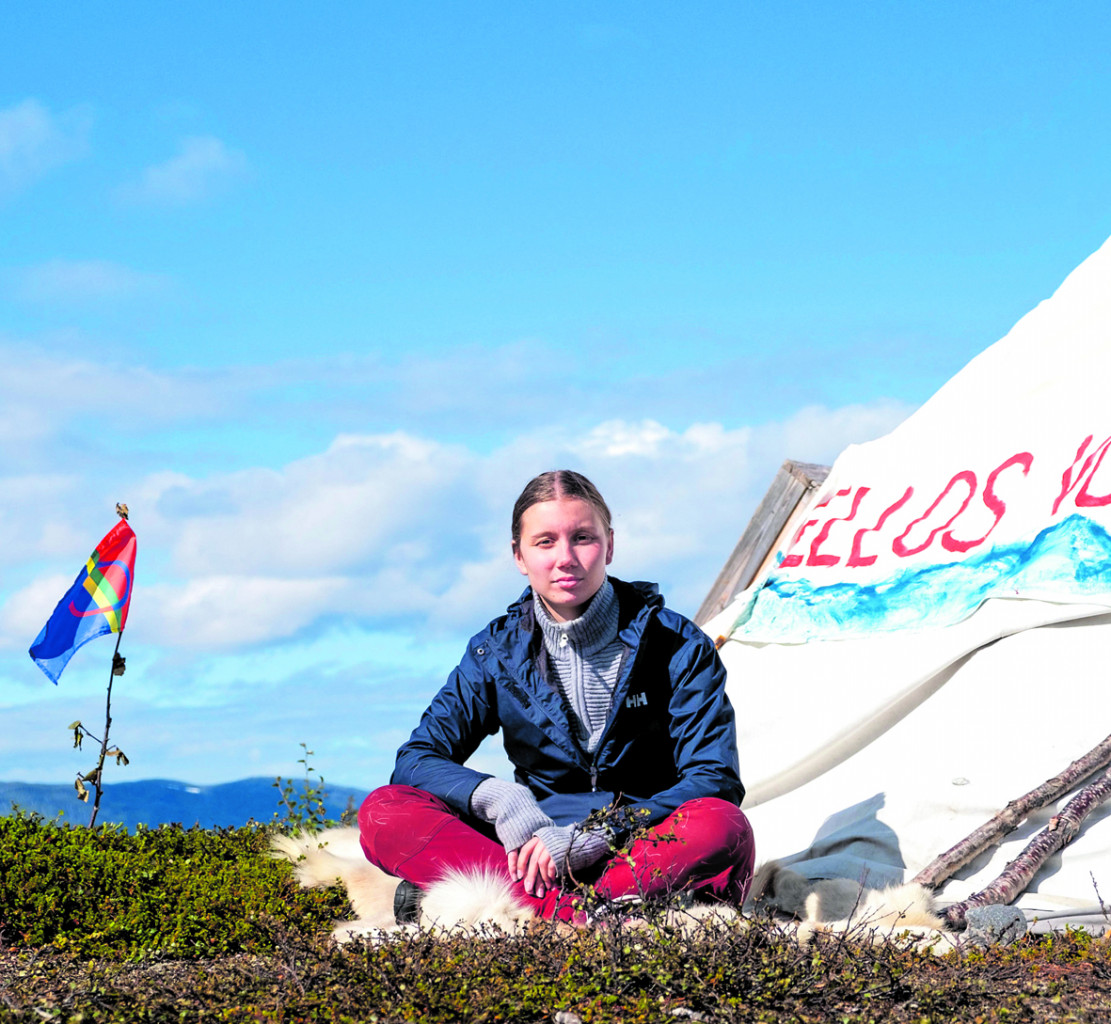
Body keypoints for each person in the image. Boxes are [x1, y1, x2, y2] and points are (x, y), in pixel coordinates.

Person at [358, 469, 754, 924]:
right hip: (534, 856)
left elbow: (714, 778)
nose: (565, 558)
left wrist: (600, 834)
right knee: (383, 811)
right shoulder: (496, 652)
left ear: (609, 544)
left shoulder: (678, 645)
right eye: (545, 542)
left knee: (723, 826)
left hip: (641, 844)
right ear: (519, 556)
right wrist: (502, 801)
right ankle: (584, 916)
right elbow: (416, 759)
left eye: (582, 538)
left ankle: (536, 912)